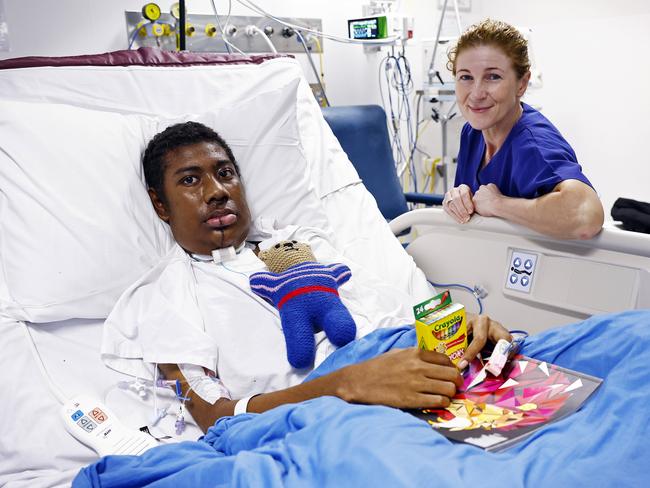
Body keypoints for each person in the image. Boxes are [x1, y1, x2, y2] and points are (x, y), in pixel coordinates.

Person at [104, 121, 511, 433]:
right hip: (341, 419)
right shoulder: (166, 297)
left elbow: (395, 314)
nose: (216, 191)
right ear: (160, 203)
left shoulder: (301, 244)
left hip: (436, 371)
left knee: (570, 353)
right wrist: (343, 385)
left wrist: (465, 331)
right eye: (190, 180)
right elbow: (215, 417)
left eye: (225, 173)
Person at [442, 19, 604, 240]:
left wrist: (500, 204)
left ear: (522, 83)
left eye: (493, 77)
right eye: (466, 77)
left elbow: (586, 215)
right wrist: (458, 199)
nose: (476, 93)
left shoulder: (533, 143)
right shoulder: (472, 132)